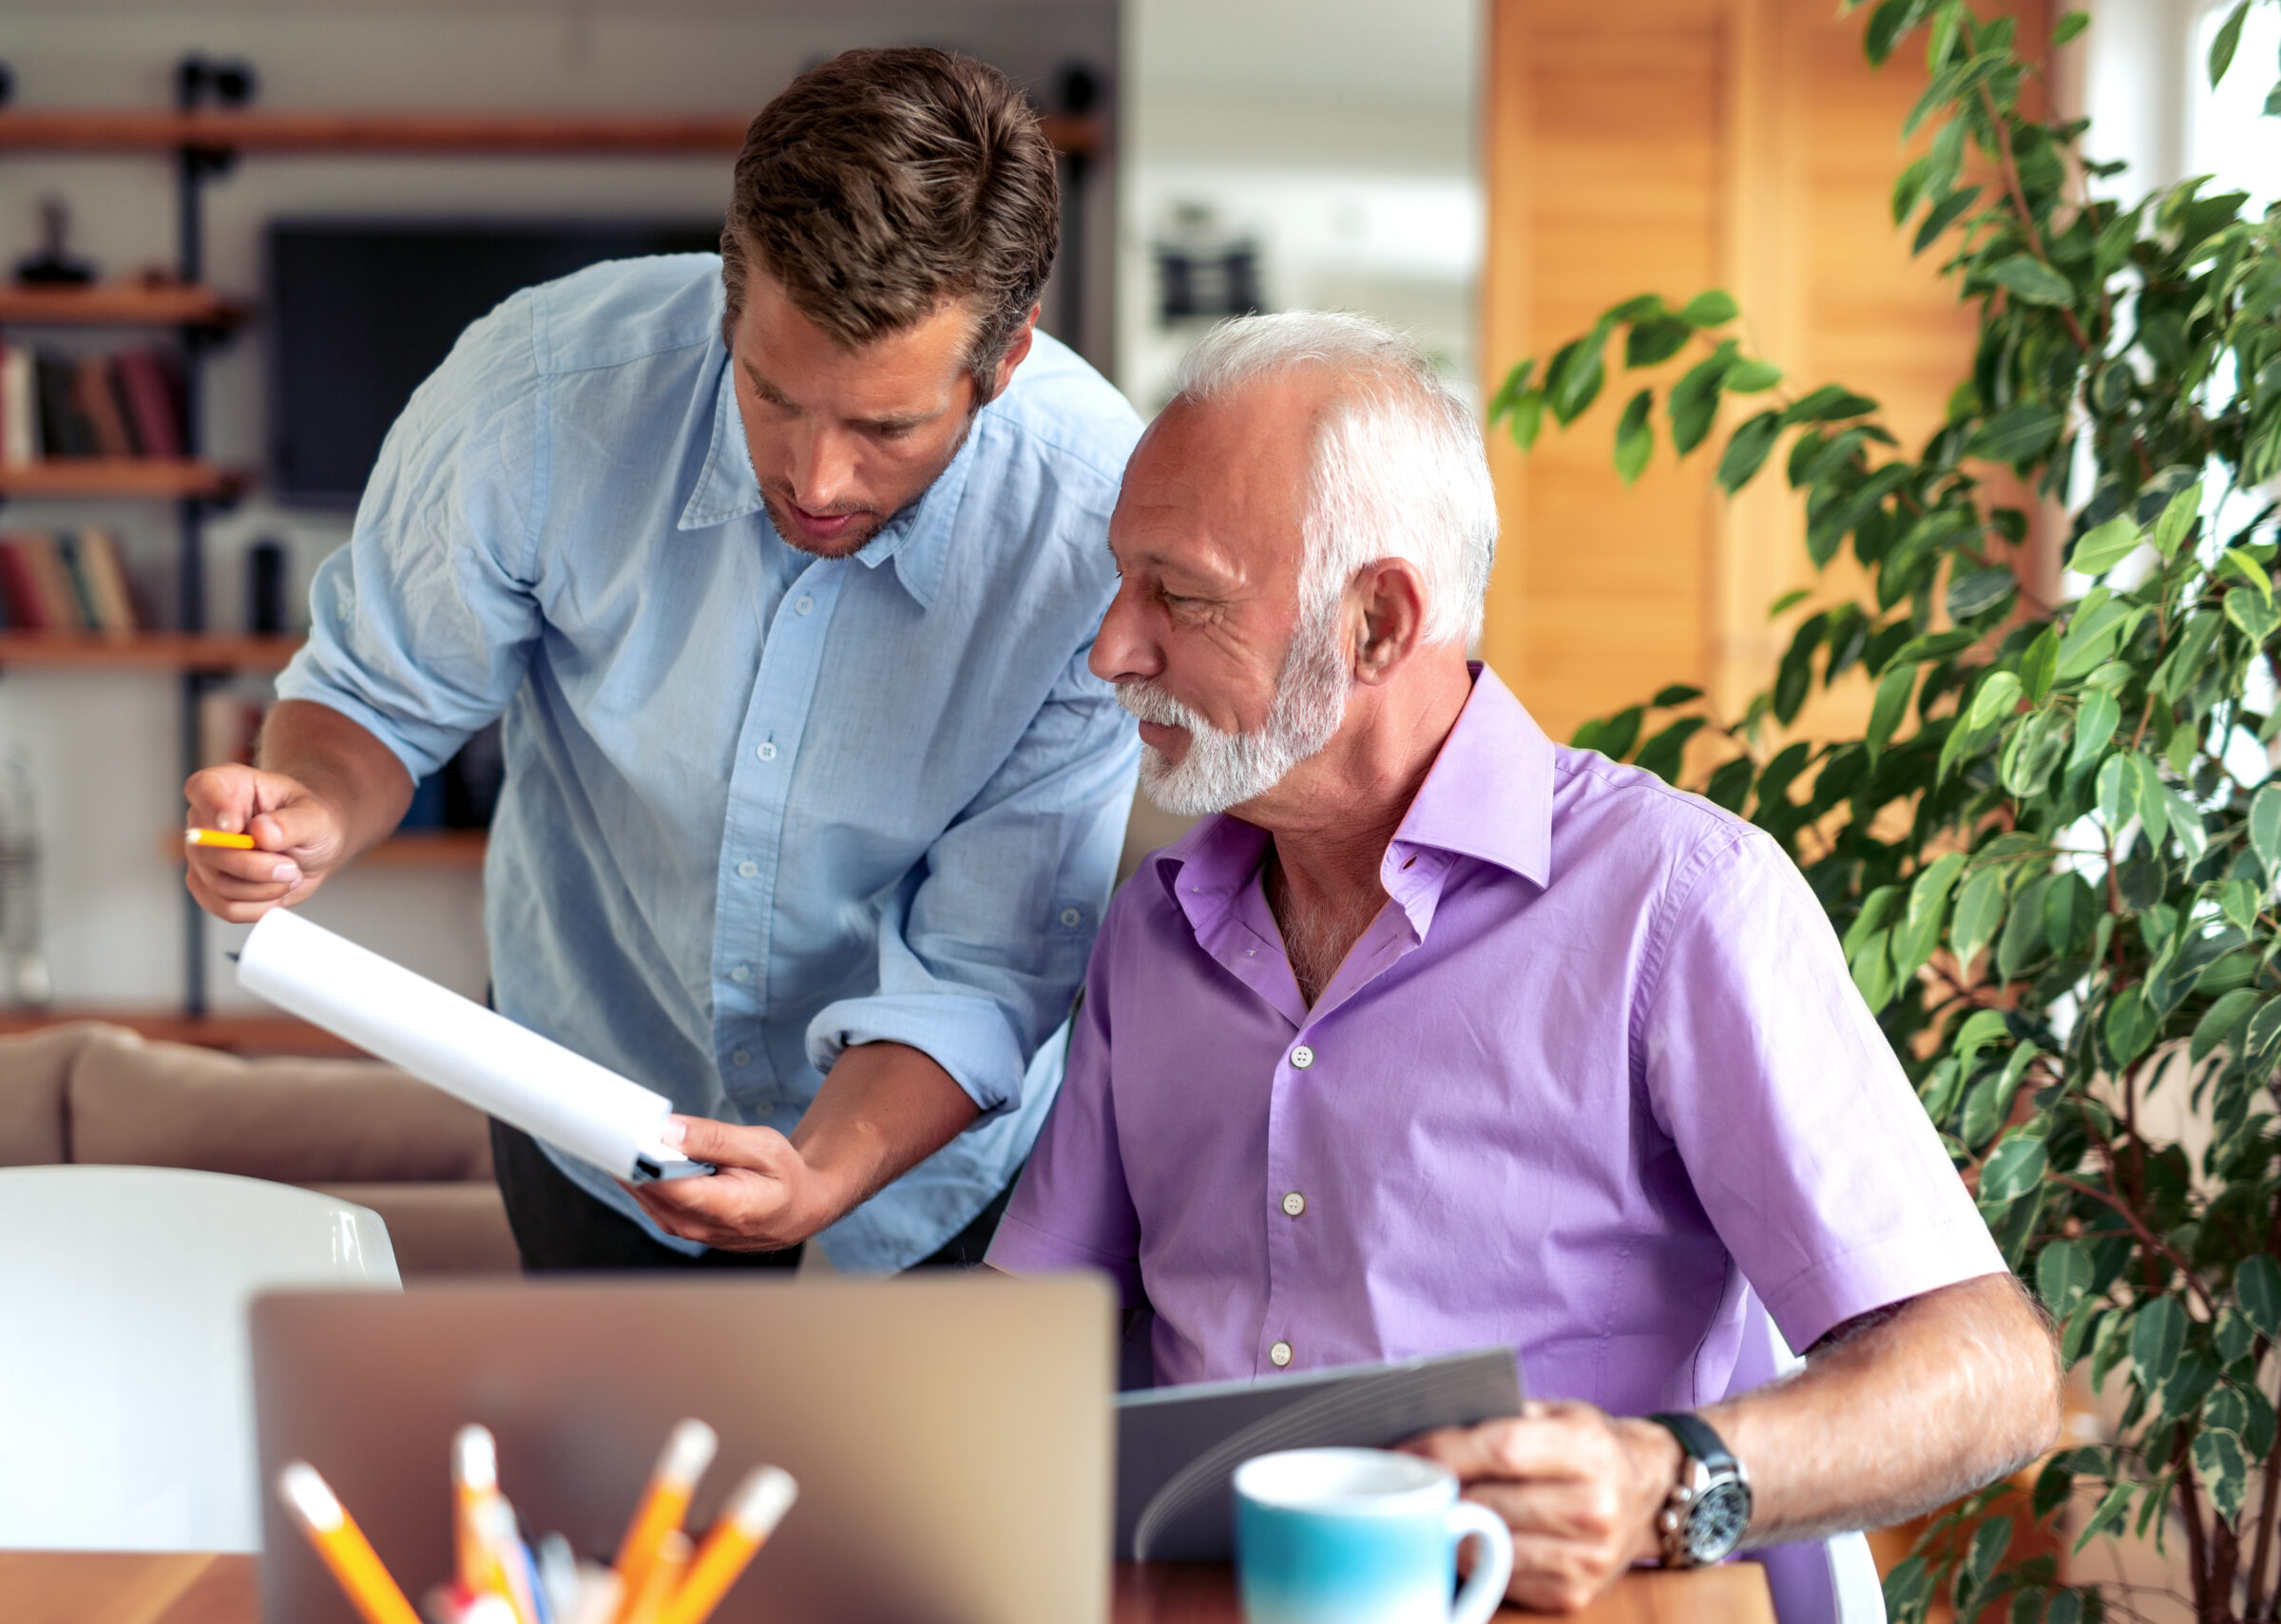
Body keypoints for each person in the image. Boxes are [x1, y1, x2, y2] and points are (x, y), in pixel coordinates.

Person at [985, 312, 2062, 1622]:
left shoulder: (1676, 899)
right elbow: (1024, 1351)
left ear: (1377, 622)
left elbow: (1989, 1370)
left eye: (1182, 597)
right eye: (1121, 581)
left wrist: (1667, 1472)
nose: (1112, 649)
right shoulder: (1155, 929)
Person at [184, 48, 1143, 1275]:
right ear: (727, 304)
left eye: (888, 427)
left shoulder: (1094, 528)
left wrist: (824, 1173)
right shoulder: (534, 396)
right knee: (606, 1471)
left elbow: (986, 958)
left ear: (1001, 366)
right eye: (773, 393)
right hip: (591, 1091)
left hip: (932, 1162)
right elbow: (377, 695)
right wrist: (309, 807)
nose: (817, 477)